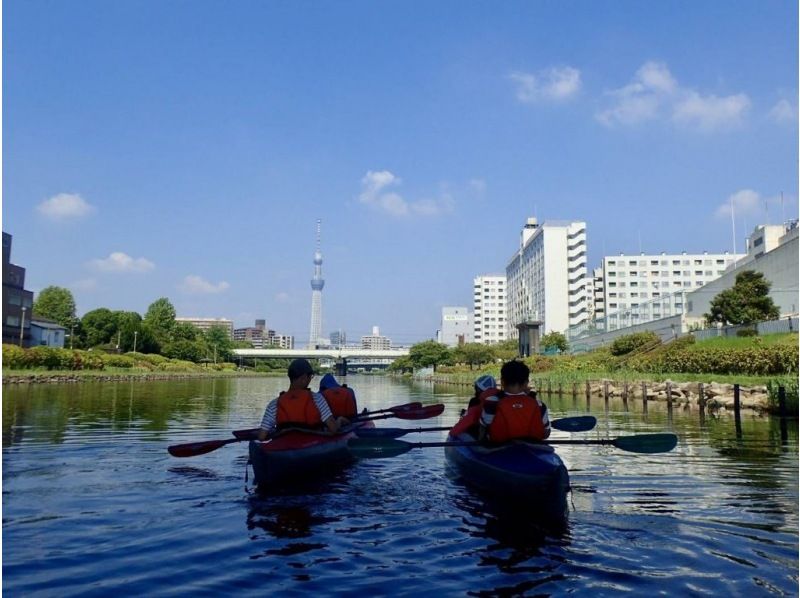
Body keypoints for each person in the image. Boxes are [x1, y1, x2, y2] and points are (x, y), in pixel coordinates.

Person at [258, 359, 348, 440]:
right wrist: (339, 420)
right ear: (304, 378)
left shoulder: (274, 404)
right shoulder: (317, 399)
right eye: (310, 377)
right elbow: (333, 429)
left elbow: (262, 436)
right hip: (312, 446)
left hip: (284, 448)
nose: (310, 380)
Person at [478, 360, 551, 443]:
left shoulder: (491, 401)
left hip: (499, 448)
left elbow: (484, 426)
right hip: (532, 449)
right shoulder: (539, 405)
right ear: (526, 383)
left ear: (502, 382)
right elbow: (546, 433)